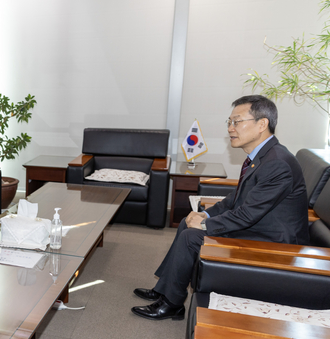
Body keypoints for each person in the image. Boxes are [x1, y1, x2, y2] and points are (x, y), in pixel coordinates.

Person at [132, 95, 309, 320]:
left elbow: (247, 214)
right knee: (189, 222)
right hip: (258, 227)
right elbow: (236, 199)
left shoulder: (277, 164)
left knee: (191, 237)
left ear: (262, 124)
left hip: (273, 242)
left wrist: (206, 224)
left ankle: (172, 304)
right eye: (229, 122)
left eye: (237, 122)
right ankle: (166, 290)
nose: (230, 128)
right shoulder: (263, 156)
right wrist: (204, 214)